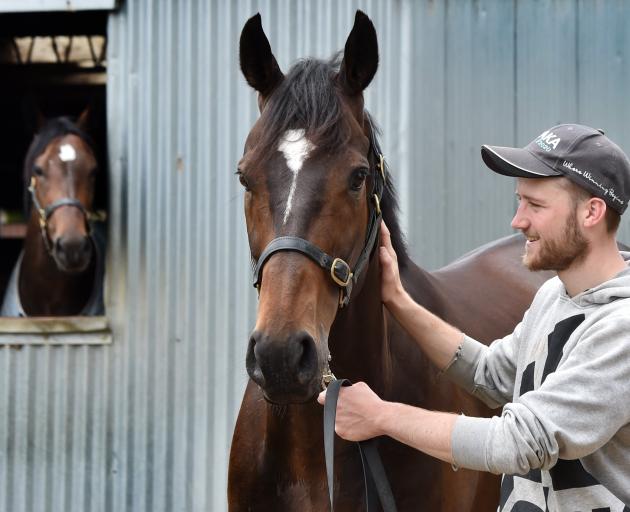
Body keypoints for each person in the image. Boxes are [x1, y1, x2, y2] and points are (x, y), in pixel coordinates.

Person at [318, 124, 630, 509]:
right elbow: (490, 374)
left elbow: (519, 443)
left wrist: (381, 416)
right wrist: (399, 302)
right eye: (520, 202)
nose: (518, 221)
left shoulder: (621, 330)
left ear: (592, 212)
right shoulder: (555, 295)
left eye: (535, 206)